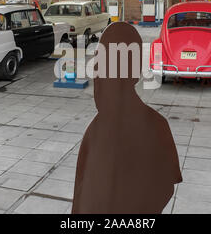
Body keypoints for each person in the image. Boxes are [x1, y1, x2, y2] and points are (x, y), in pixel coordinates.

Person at [72, 22, 182, 214]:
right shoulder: (95, 131)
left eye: (103, 72)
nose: (96, 81)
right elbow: (80, 193)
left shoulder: (156, 127)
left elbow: (165, 188)